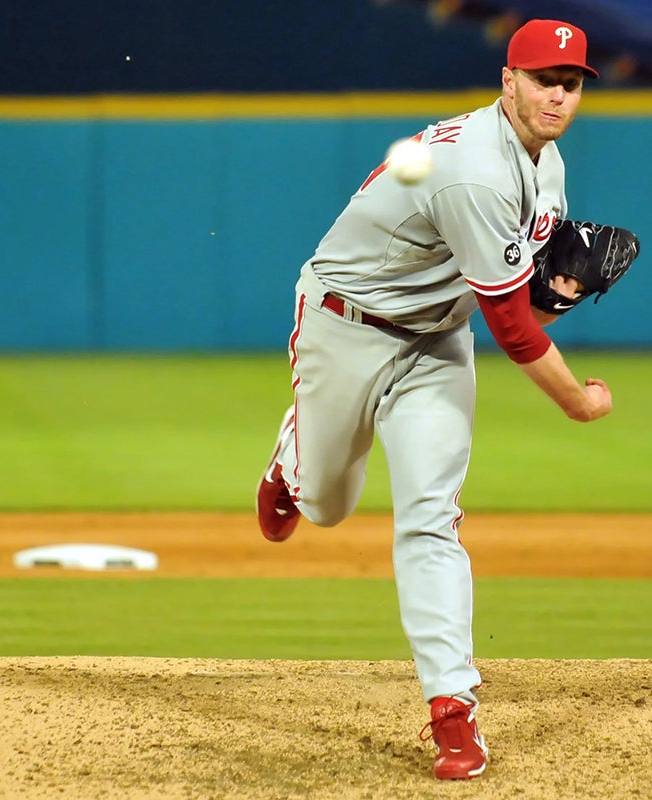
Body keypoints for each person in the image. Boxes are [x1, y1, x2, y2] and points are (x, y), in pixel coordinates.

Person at [255, 18, 609, 781]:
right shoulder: (476, 169)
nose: (557, 94)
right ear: (507, 81)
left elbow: (521, 302)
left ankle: (453, 710)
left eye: (571, 82)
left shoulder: (544, 166)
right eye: (543, 78)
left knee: (431, 517)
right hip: (344, 326)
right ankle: (293, 459)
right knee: (326, 506)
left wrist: (568, 289)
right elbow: (515, 330)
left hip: (437, 342)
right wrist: (577, 401)